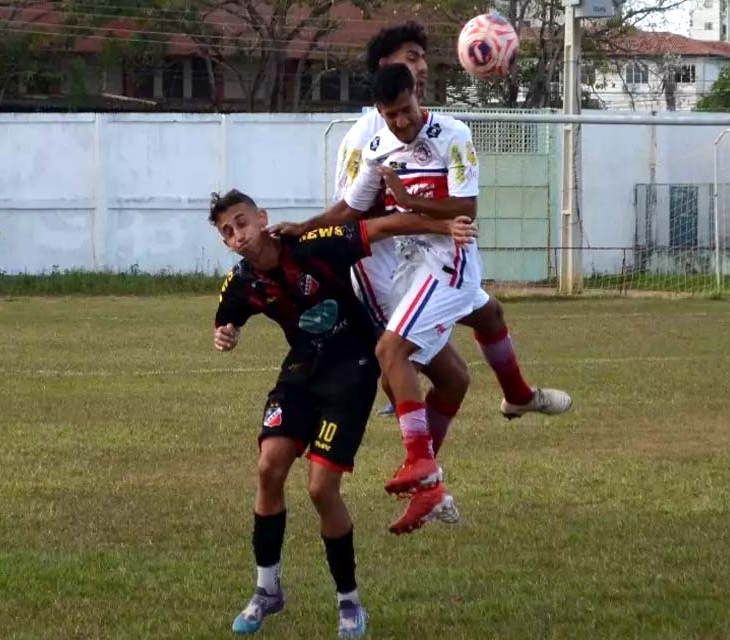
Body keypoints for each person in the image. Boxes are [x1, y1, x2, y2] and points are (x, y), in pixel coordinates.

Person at [274, 22, 571, 425]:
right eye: (412, 57)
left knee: (490, 315)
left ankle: (516, 396)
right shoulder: (368, 136)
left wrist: (435, 222)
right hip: (383, 271)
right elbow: (351, 212)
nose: (424, 66)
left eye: (424, 57)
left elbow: (457, 200)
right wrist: (310, 230)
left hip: (427, 259)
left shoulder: (435, 127)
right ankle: (419, 461)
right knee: (448, 375)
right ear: (385, 67)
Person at [209, 190, 475, 636]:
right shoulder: (241, 282)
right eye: (228, 232)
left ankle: (348, 601)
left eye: (242, 222)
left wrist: (443, 226)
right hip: (301, 370)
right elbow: (226, 319)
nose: (239, 234)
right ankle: (267, 591)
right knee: (269, 468)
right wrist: (226, 334)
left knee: (320, 488)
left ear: (263, 218)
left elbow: (383, 226)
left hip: (352, 369)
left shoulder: (315, 244)